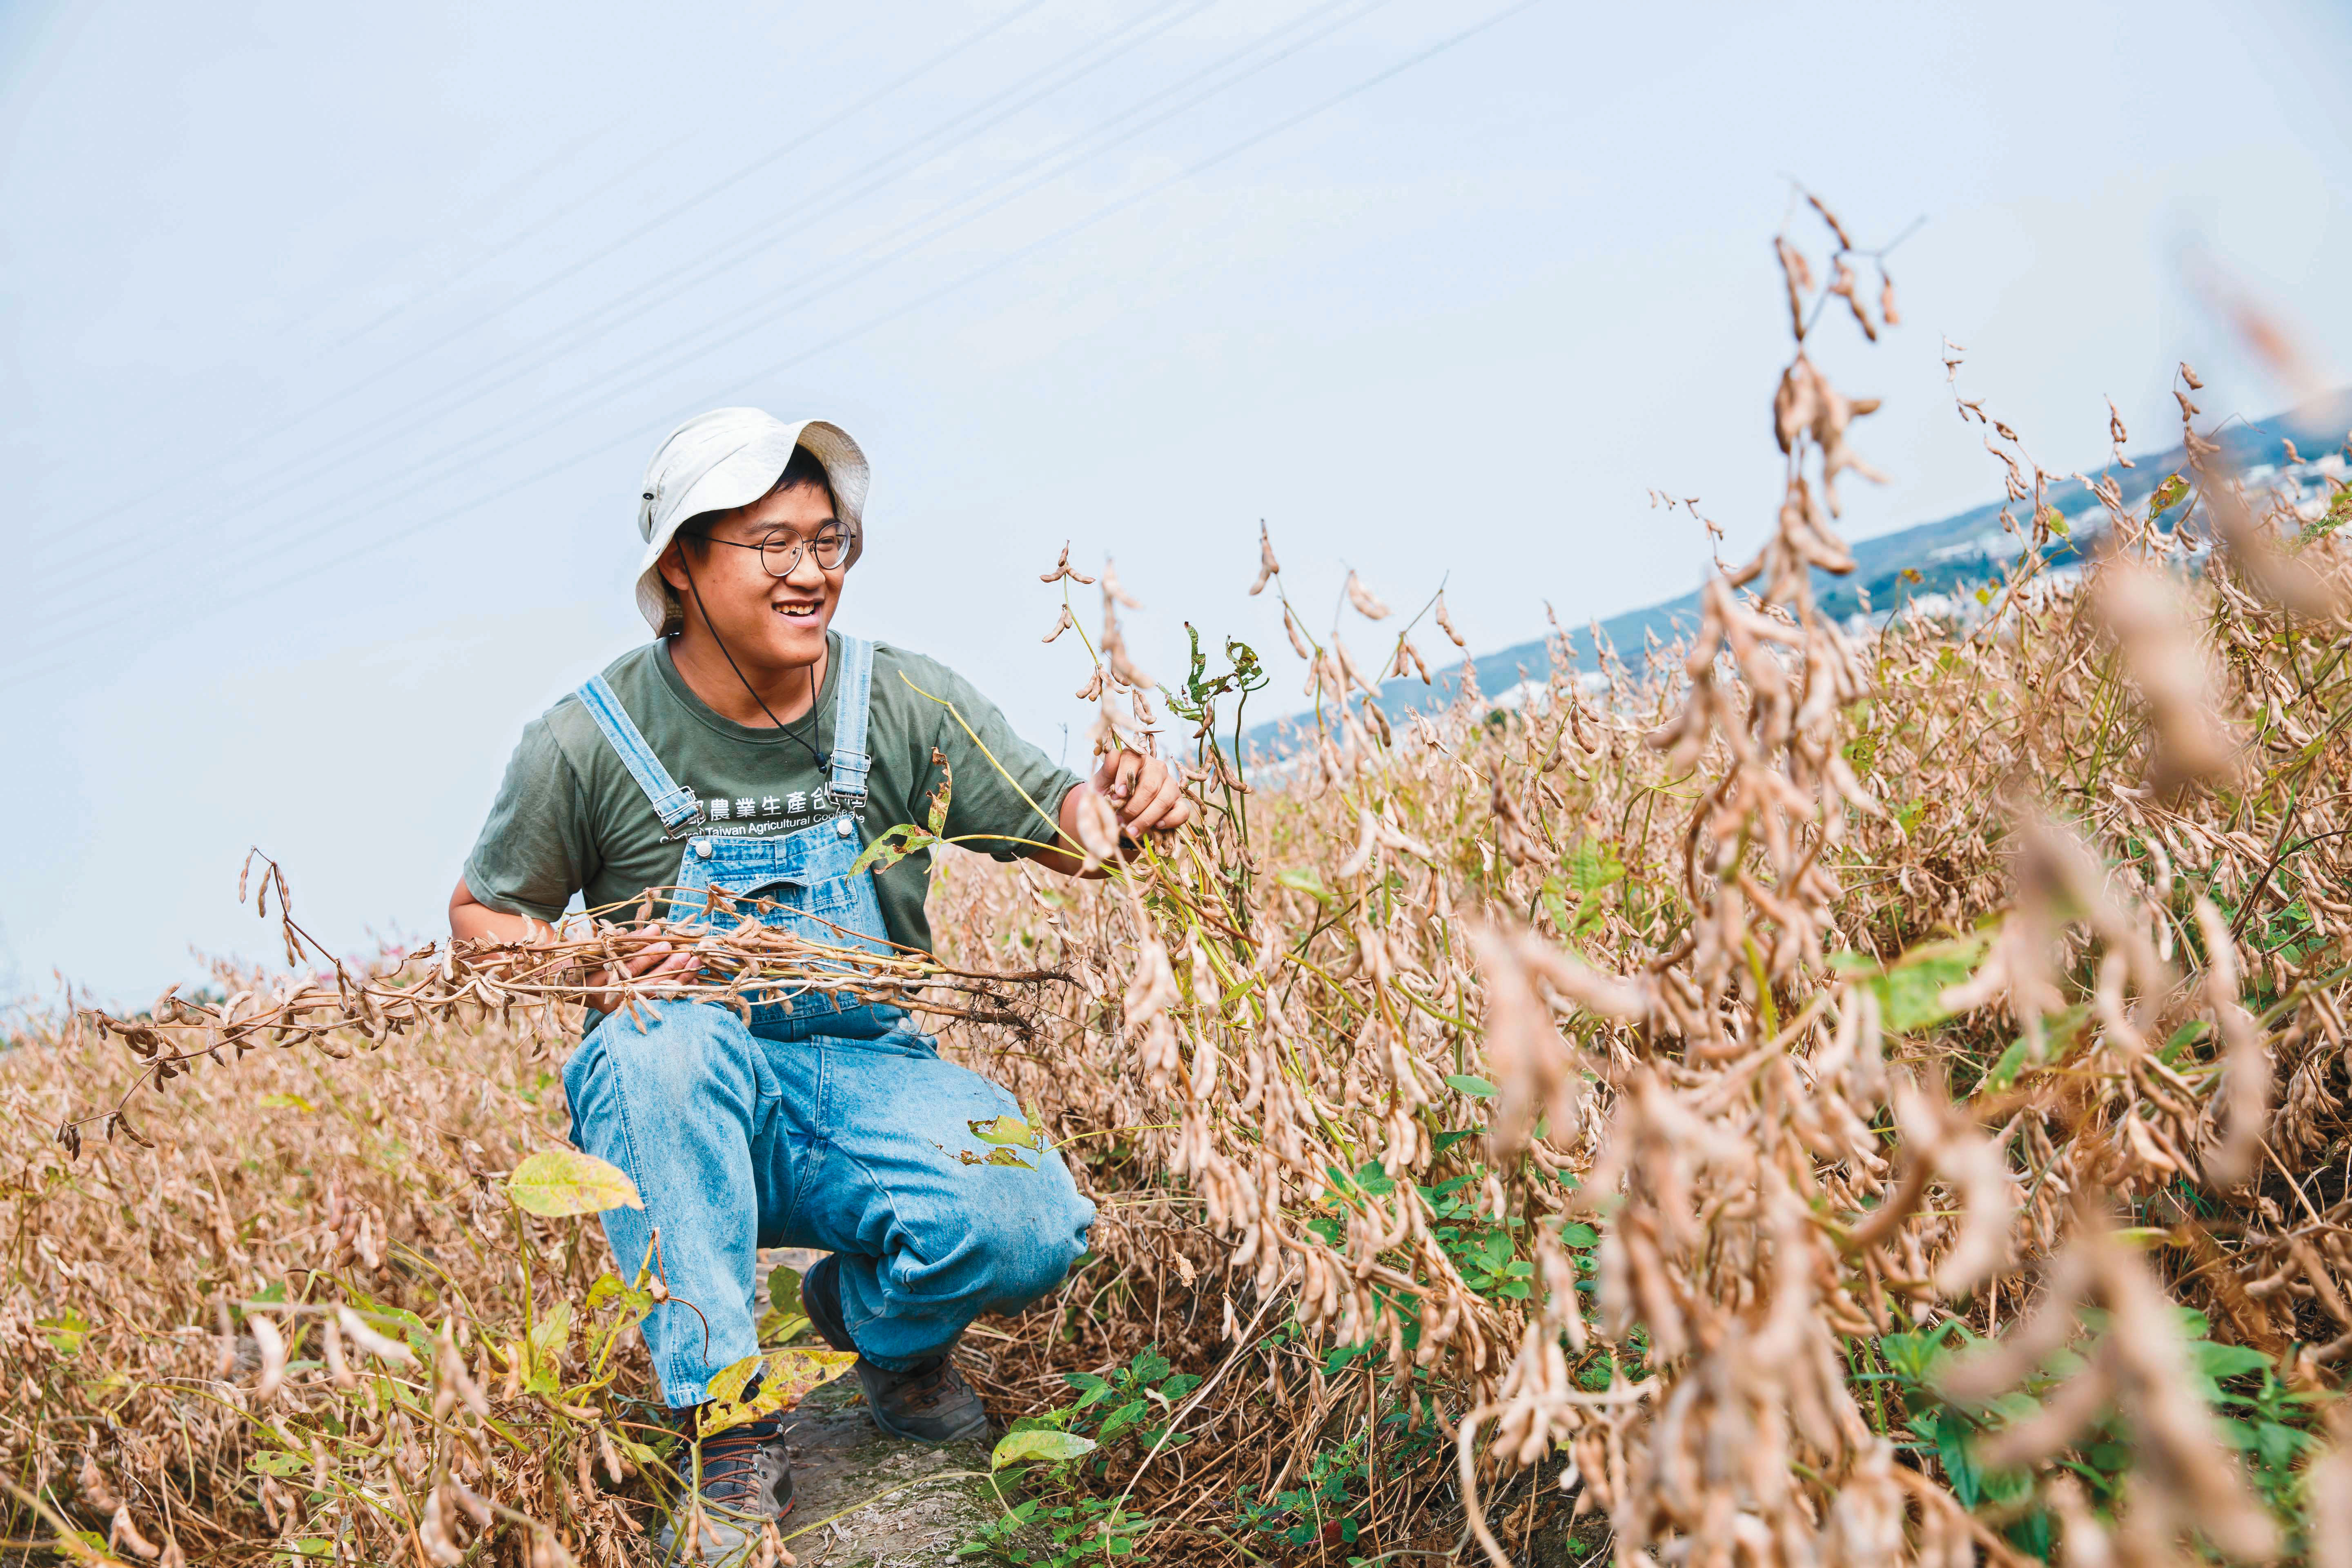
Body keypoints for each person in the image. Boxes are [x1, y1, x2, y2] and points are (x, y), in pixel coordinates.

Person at [450, 409, 1192, 1561]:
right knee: (655, 1048)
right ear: (681, 569)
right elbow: (483, 917)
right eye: (771, 545)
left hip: (872, 1074)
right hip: (691, 1099)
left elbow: (1062, 825)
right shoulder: (585, 743)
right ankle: (729, 1419)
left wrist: (1123, 808)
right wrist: (582, 965)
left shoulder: (897, 700)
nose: (811, 574)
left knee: (1030, 1222)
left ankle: (879, 1332)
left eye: (827, 541)